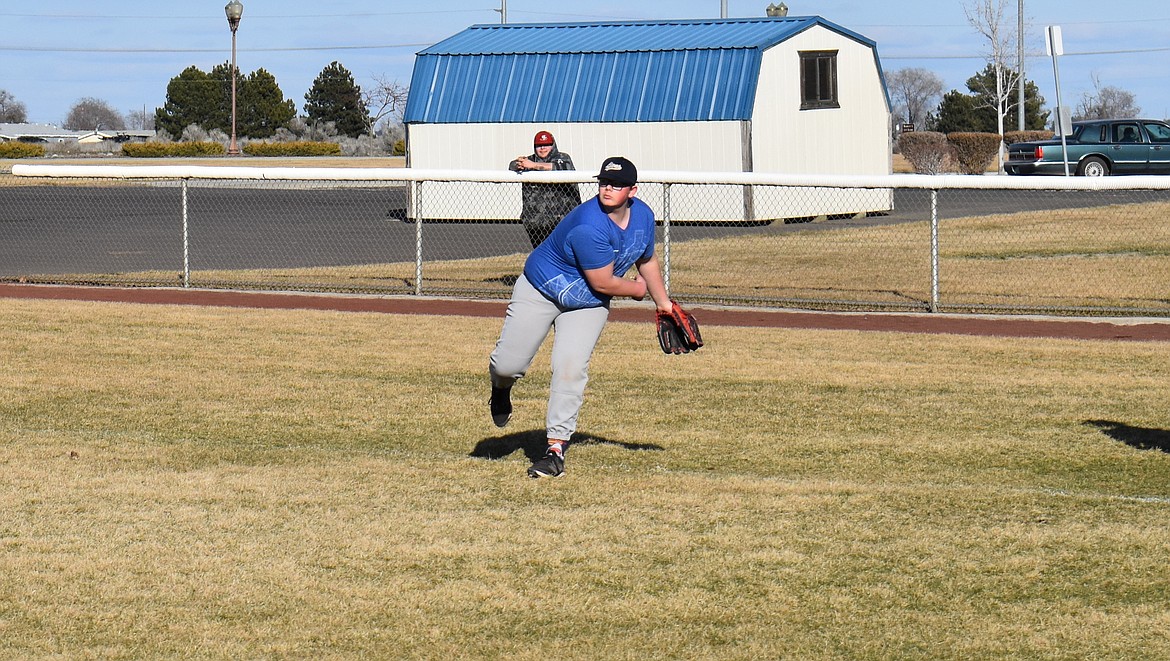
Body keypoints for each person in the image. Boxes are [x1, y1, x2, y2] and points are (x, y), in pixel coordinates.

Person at [488, 156, 674, 478]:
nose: (608, 188)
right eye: (603, 182)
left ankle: (554, 450)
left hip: (587, 304)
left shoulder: (643, 216)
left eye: (616, 184)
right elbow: (603, 281)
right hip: (541, 290)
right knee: (508, 365)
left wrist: (664, 304)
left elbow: (647, 259)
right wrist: (636, 291)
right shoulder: (590, 224)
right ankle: (501, 388)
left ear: (633, 190)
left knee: (570, 367)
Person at [508, 130, 581, 248]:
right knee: (541, 253)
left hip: (562, 221)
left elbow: (560, 167)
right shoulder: (529, 160)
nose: (542, 148)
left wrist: (533, 166)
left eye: (546, 145)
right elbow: (512, 165)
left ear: (553, 145)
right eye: (538, 145)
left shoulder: (563, 158)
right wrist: (519, 164)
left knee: (563, 252)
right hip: (536, 223)